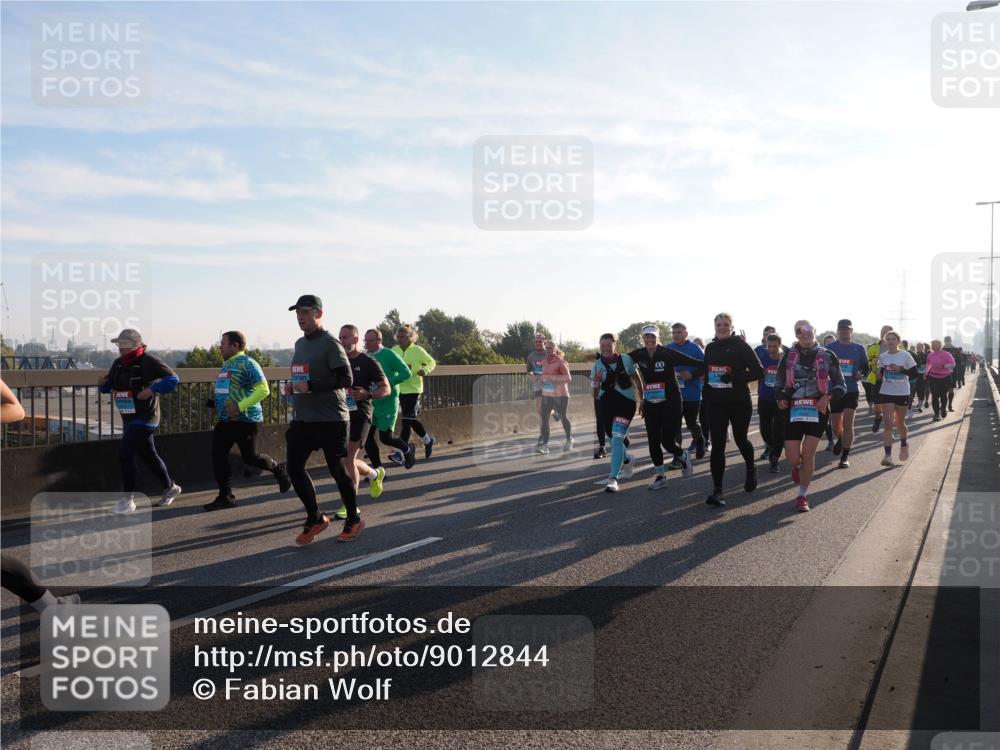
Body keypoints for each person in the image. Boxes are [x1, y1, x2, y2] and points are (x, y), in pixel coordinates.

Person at [284, 295, 362, 544]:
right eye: (297, 312)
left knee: (337, 470)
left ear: (318, 314)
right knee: (294, 468)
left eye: (305, 312)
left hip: (331, 419)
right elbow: (302, 377)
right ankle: (315, 517)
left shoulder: (330, 343)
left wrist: (312, 385)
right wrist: (292, 387)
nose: (300, 316)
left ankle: (353, 519)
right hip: (304, 419)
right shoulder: (299, 344)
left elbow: (346, 379)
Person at [204, 331, 291, 511]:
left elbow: (263, 389)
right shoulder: (227, 365)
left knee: (250, 457)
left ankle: (279, 471)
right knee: (217, 455)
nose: (220, 346)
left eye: (223, 343)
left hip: (246, 419)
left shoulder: (248, 363)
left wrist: (240, 406)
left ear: (235, 345)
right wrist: (215, 404)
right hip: (226, 420)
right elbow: (227, 390)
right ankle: (225, 496)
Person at [98, 329, 182, 514]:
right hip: (129, 416)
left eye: (124, 344)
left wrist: (152, 390)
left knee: (125, 451)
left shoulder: (149, 361)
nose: (120, 348)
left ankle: (128, 500)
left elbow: (173, 379)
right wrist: (103, 384)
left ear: (136, 345)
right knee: (148, 454)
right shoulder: (118, 364)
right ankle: (170, 487)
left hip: (147, 416)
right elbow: (108, 386)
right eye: (119, 344)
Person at [774, 321, 847, 512]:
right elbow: (778, 382)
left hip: (818, 409)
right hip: (794, 409)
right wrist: (781, 397)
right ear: (796, 334)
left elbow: (841, 384)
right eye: (799, 330)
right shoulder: (788, 355)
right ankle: (797, 467)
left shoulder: (828, 355)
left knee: (808, 453)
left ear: (814, 331)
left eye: (807, 329)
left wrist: (828, 396)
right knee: (792, 457)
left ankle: (802, 495)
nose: (803, 333)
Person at [629, 325, 705, 489]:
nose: (650, 340)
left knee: (667, 442)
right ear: (643, 338)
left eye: (653, 337)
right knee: (653, 441)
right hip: (651, 402)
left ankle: (682, 456)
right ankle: (661, 476)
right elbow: (618, 361)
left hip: (671, 401)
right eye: (646, 337)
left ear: (658, 338)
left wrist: (698, 371)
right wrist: (599, 356)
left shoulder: (667, 353)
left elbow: (697, 362)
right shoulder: (639, 354)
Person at [702, 313, 764, 507]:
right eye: (719, 324)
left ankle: (751, 468)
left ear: (731, 326)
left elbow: (758, 371)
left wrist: (735, 377)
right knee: (718, 444)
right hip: (716, 402)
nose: (722, 327)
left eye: (725, 324)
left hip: (739, 401)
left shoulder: (741, 346)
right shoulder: (710, 347)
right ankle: (718, 490)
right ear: (714, 326)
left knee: (740, 439)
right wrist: (706, 397)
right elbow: (707, 371)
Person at [335, 325, 391, 518]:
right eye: (340, 337)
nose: (342, 341)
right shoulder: (336, 362)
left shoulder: (368, 362)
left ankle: (350, 505)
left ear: (356, 340)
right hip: (340, 415)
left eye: (346, 338)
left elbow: (386, 389)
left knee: (348, 458)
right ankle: (375, 474)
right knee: (342, 460)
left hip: (361, 415)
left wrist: (368, 394)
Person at [591, 332, 643, 493]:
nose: (606, 348)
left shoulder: (626, 360)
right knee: (613, 439)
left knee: (617, 439)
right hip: (606, 405)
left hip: (625, 404)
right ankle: (627, 459)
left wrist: (643, 399)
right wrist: (597, 382)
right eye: (603, 345)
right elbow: (594, 394)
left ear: (615, 345)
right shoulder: (597, 365)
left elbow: (637, 379)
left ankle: (613, 478)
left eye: (609, 345)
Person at [361, 328, 415, 473]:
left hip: (388, 401)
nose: (367, 344)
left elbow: (406, 373)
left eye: (370, 341)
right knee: (366, 437)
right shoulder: (366, 357)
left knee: (386, 437)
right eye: (365, 341)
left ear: (379, 340)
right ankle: (379, 471)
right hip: (372, 402)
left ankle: (407, 449)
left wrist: (386, 383)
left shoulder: (389, 354)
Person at [825, 319, 869, 469]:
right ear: (838, 331)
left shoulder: (859, 348)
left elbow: (865, 367)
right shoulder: (830, 348)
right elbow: (822, 367)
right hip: (835, 390)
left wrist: (861, 373)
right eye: (842, 329)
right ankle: (841, 438)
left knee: (848, 424)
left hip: (851, 390)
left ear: (852, 331)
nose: (844, 332)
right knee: (836, 426)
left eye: (847, 329)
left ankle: (845, 456)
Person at [392, 325, 437, 460]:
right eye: (397, 337)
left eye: (402, 337)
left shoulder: (418, 350)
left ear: (409, 337)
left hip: (413, 389)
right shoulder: (394, 350)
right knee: (410, 419)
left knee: (406, 421)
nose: (399, 340)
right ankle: (428, 440)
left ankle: (400, 453)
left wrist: (425, 370)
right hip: (399, 388)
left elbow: (431, 362)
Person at [876, 330, 919, 467]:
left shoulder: (905, 355)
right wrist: (879, 373)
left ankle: (904, 443)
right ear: (885, 341)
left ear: (898, 342)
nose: (890, 341)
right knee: (888, 423)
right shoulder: (883, 357)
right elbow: (881, 374)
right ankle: (887, 456)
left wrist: (900, 370)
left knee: (900, 423)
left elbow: (914, 373)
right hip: (887, 391)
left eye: (893, 339)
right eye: (888, 339)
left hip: (902, 393)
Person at [667, 322, 708, 461]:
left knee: (691, 423)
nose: (676, 335)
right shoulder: (668, 348)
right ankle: (677, 455)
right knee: (675, 426)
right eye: (673, 333)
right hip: (674, 395)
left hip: (692, 393)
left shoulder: (695, 348)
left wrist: (692, 374)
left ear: (685, 333)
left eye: (679, 332)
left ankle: (700, 440)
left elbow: (705, 367)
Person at [756, 333, 786, 472]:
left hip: (780, 399)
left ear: (780, 345)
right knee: (765, 430)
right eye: (769, 346)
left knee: (778, 430)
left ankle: (775, 459)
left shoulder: (785, 358)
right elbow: (747, 357)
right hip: (765, 398)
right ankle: (773, 446)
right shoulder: (761, 355)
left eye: (774, 346)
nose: (771, 349)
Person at [536, 340, 573, 454]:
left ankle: (569, 439)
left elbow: (568, 378)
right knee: (545, 418)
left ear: (555, 349)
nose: (548, 350)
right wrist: (541, 381)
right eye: (547, 348)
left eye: (550, 348)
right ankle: (545, 445)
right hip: (547, 394)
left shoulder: (561, 362)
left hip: (561, 394)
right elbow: (543, 376)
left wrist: (552, 378)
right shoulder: (544, 362)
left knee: (563, 417)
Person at [864, 325, 893, 425]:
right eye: (882, 331)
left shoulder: (899, 347)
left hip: (892, 380)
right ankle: (877, 417)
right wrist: (873, 361)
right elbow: (867, 361)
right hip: (877, 378)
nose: (883, 333)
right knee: (877, 407)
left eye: (885, 331)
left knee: (889, 406)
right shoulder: (873, 347)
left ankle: (888, 428)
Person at [925, 339, 956, 422]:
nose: (932, 346)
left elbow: (953, 365)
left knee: (943, 395)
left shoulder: (946, 354)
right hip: (933, 377)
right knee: (934, 396)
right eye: (932, 345)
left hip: (944, 378)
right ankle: (936, 414)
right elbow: (928, 364)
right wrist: (925, 372)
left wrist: (943, 366)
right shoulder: (930, 355)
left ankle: (943, 409)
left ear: (940, 345)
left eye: (934, 344)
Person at [943, 336, 964, 410]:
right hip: (951, 372)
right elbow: (960, 361)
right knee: (949, 390)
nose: (947, 342)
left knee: (945, 390)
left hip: (946, 372)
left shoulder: (942, 350)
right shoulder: (956, 349)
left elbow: (960, 361)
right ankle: (949, 406)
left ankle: (946, 405)